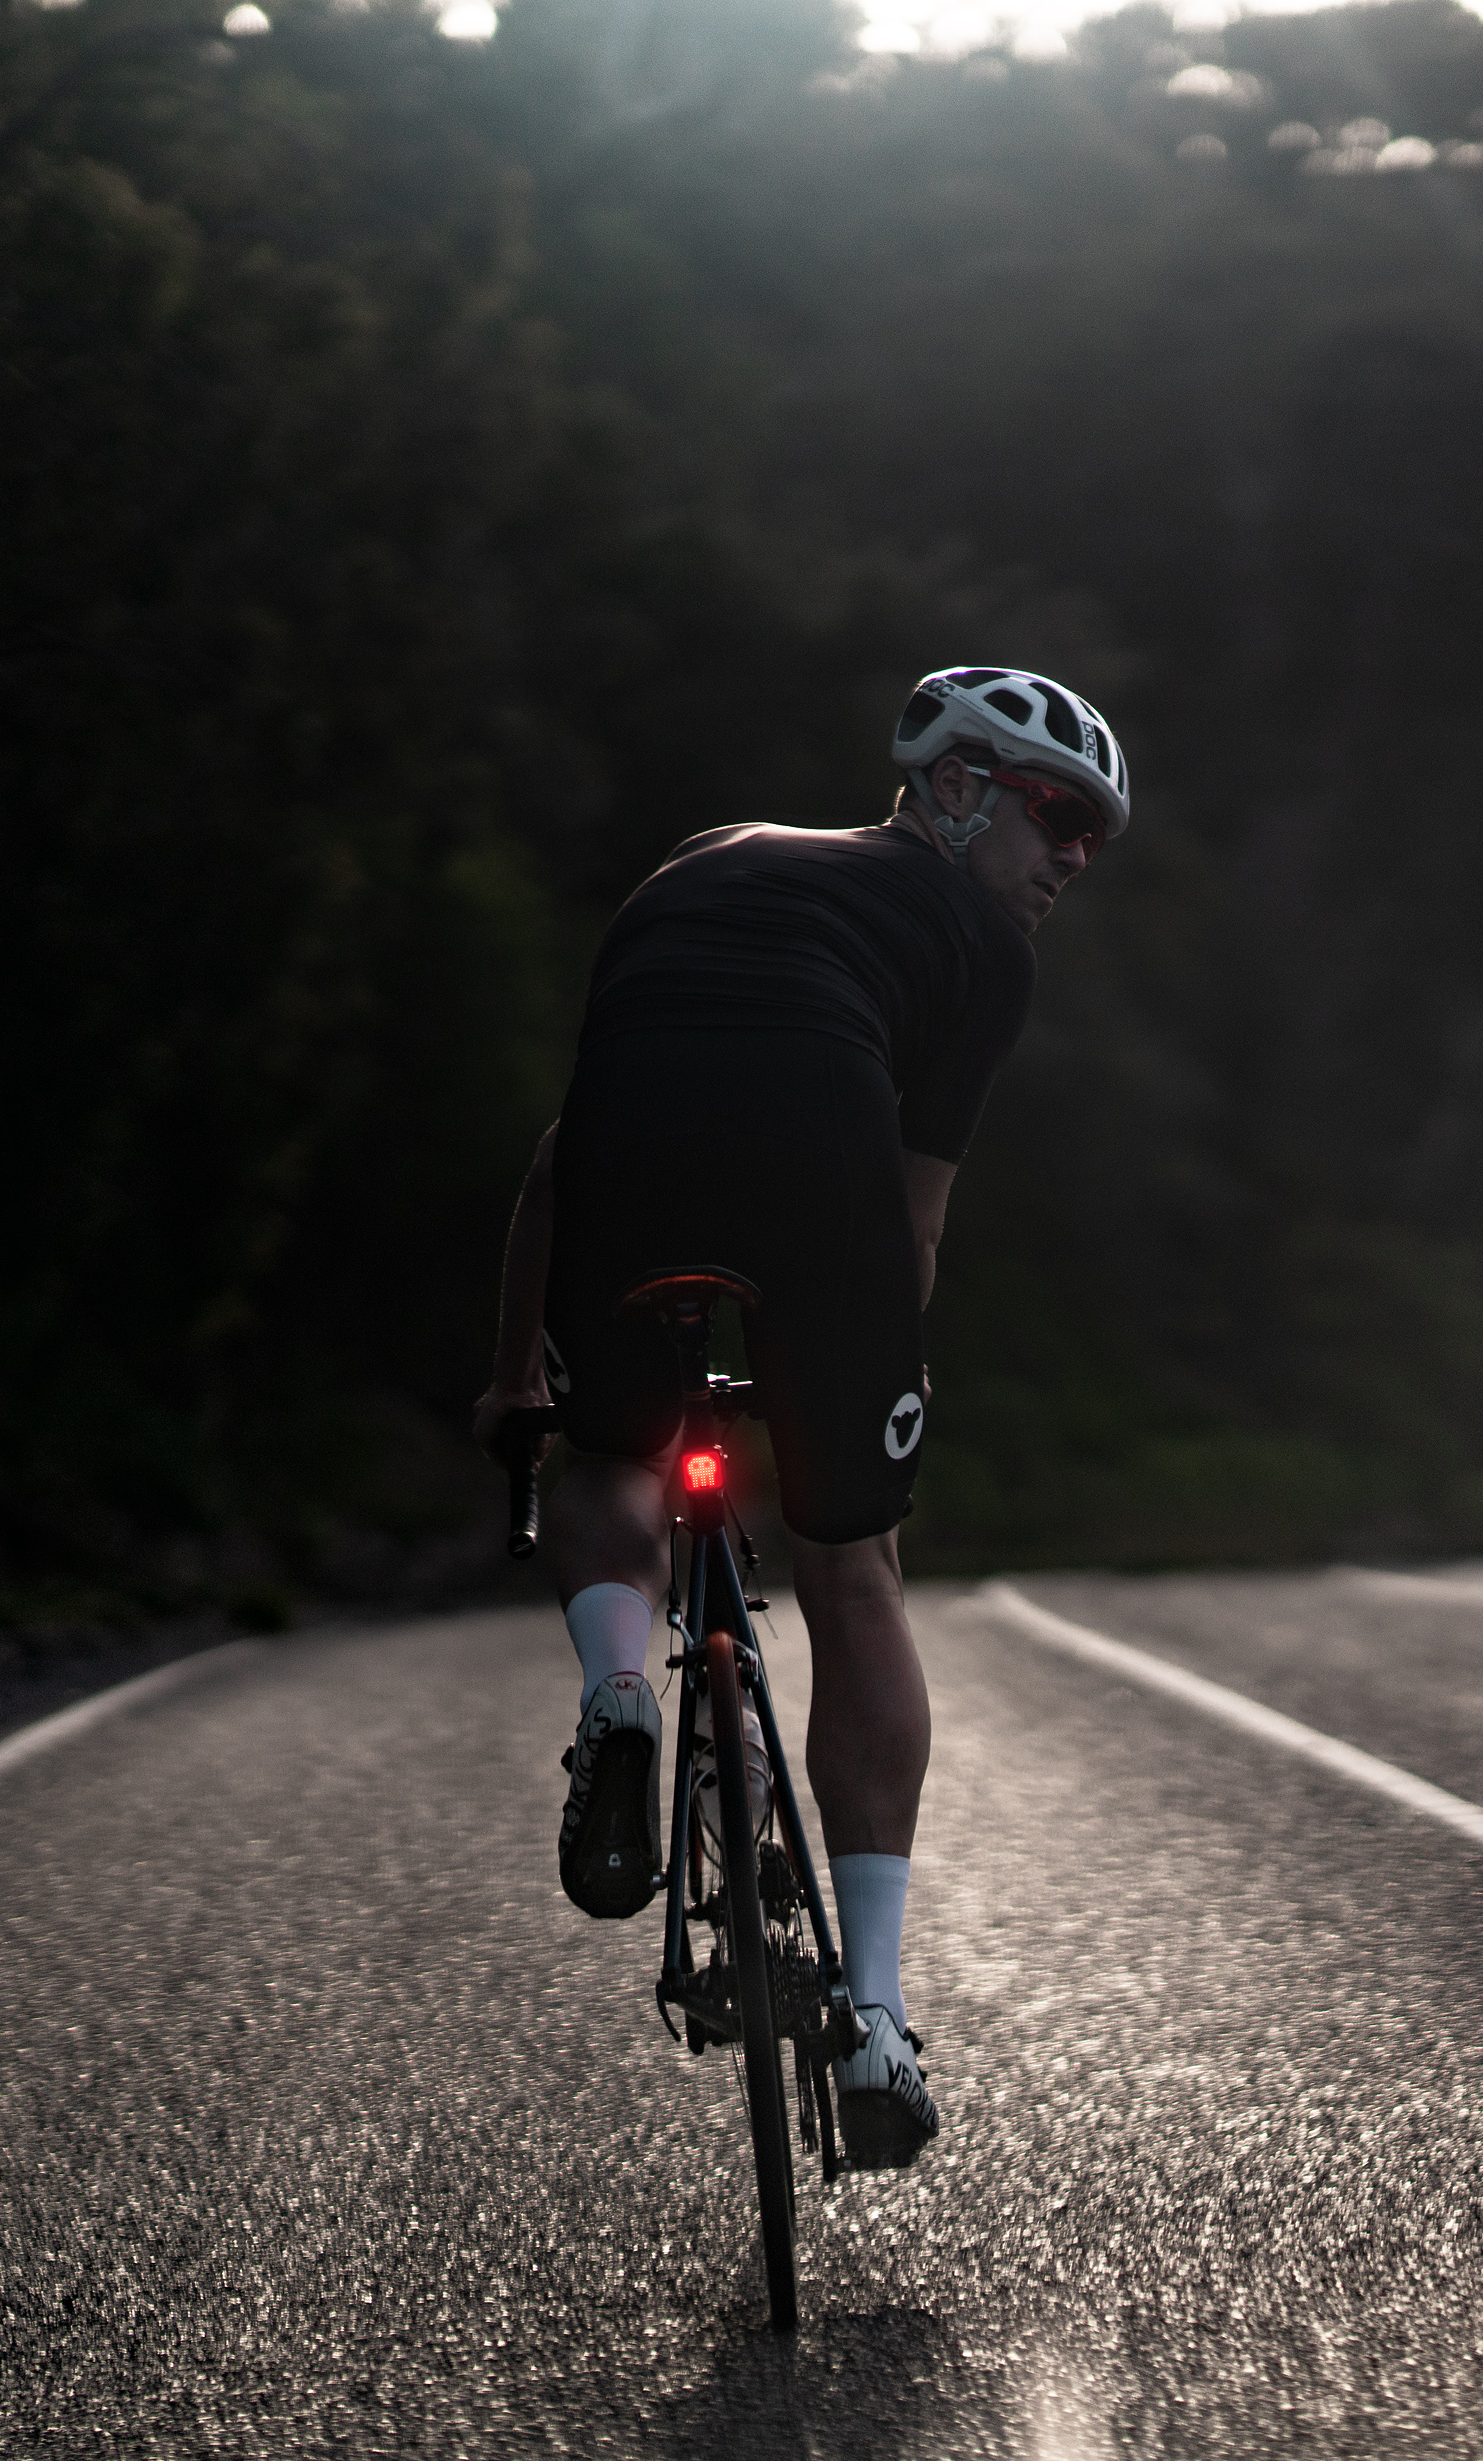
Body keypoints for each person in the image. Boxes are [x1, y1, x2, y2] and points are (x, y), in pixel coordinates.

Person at [470, 666, 1127, 2171]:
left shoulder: (702, 862)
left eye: (1094, 837)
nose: (1073, 857)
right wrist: (870, 1382)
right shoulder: (979, 946)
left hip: (629, 1156)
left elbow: (560, 1165)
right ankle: (877, 2016)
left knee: (612, 1456)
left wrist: (516, 1378)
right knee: (852, 1569)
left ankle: (618, 1690)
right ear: (951, 788)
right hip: (820, 1168)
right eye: (1055, 814)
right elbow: (914, 1221)